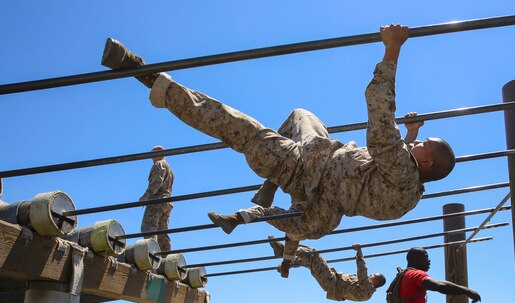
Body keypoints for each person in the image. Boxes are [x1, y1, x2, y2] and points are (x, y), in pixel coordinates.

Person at [101, 24, 456, 277]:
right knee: (301, 114)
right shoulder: (408, 189)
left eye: (423, 145)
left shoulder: (402, 171)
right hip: (319, 160)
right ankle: (269, 188)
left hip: (303, 169)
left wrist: (392, 48)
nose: (417, 144)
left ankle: (147, 76)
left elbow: (379, 115)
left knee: (233, 125)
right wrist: (411, 136)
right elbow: (394, 162)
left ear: (425, 162)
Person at [269, 238, 385, 302]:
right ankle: (285, 267)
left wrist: (359, 252)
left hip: (331, 283)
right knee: (308, 260)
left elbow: (362, 271)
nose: (371, 275)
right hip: (331, 281)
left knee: (313, 253)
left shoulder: (367, 289)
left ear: (377, 281)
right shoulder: (366, 287)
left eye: (374, 275)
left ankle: (284, 251)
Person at [139, 146, 174, 252]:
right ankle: (166, 257)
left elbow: (157, 181)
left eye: (153, 153)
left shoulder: (159, 164)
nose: (151, 156)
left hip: (157, 201)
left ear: (161, 153)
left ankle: (151, 253)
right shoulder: (169, 168)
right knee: (162, 231)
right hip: (166, 202)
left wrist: (146, 195)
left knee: (149, 228)